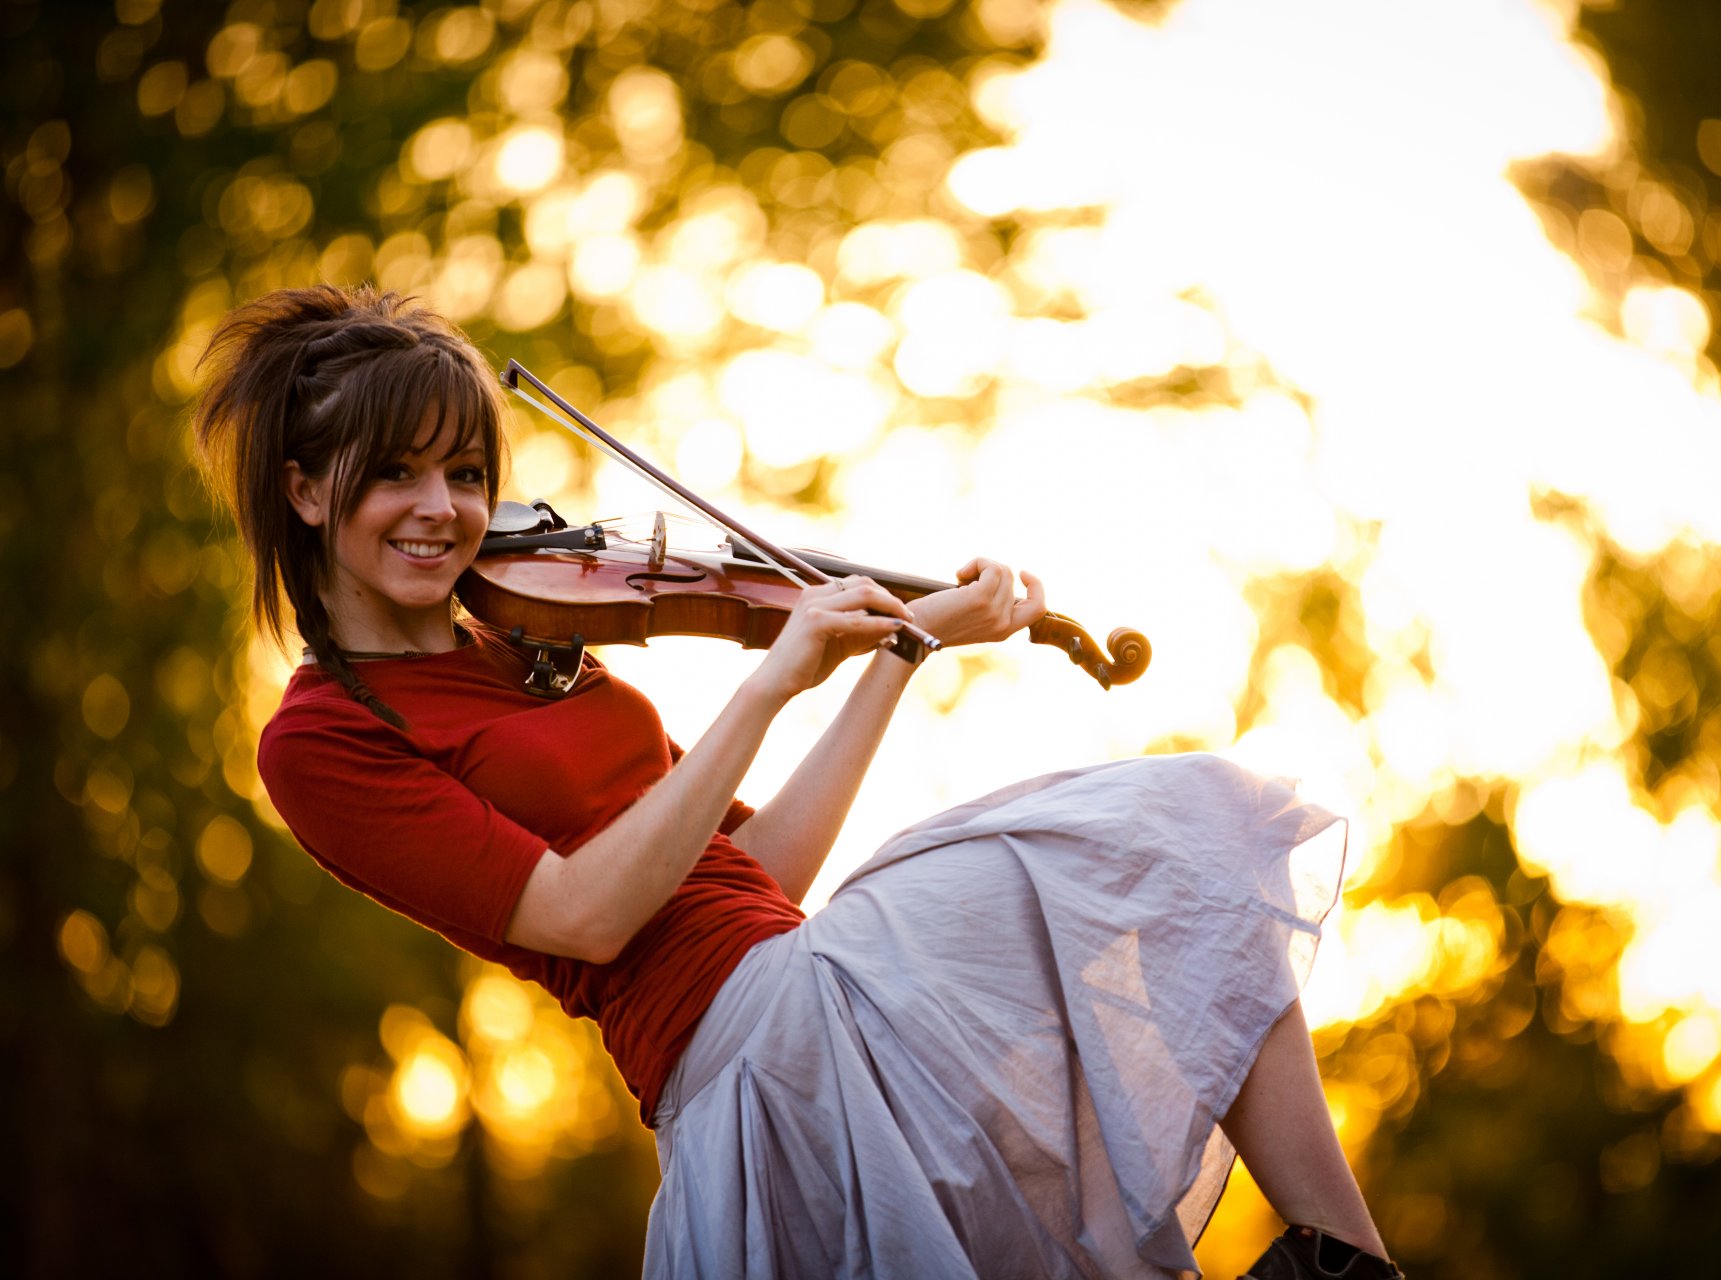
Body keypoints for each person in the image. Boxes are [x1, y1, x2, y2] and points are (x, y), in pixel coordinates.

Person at [193, 283, 1401, 1280]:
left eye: (464, 471)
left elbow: (755, 871)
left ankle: (1344, 1261)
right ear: (305, 490)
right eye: (396, 473)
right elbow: (586, 913)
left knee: (1184, 860)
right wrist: (769, 682)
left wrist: (901, 648)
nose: (446, 509)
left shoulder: (532, 646)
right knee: (1169, 838)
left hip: (807, 983)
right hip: (744, 1060)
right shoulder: (321, 738)